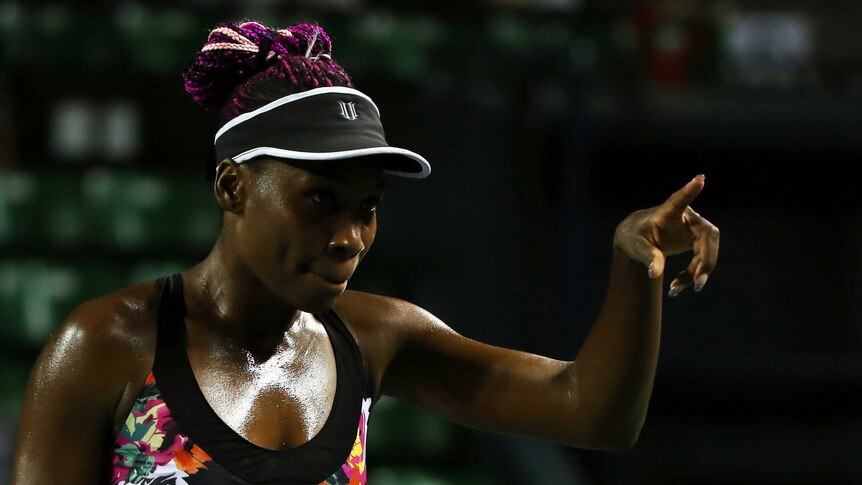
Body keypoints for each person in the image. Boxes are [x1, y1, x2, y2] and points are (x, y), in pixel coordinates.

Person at [11, 21, 720, 485]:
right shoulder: (104, 346)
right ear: (232, 186)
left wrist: (637, 266)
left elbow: (594, 413)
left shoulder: (376, 337)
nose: (349, 236)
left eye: (367, 207)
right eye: (319, 200)